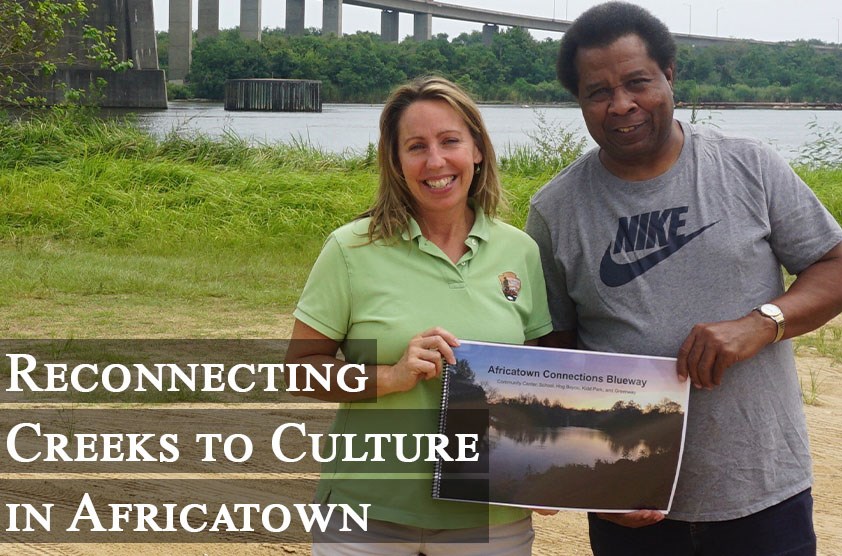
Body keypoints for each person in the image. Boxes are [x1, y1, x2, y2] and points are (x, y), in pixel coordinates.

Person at [525, 3, 842, 555]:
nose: (621, 105)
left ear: (670, 74)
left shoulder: (750, 166)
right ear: (579, 101)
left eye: (637, 82)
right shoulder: (555, 210)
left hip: (764, 494)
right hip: (631, 508)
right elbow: (555, 350)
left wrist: (763, 322)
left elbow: (834, 263)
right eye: (597, 91)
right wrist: (584, 481)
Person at [286, 76, 553, 555]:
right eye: (416, 146)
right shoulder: (350, 249)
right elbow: (301, 372)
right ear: (395, 161)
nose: (435, 161)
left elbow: (538, 387)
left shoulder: (521, 251)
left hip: (490, 518)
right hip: (368, 514)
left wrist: (546, 471)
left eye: (450, 141)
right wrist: (390, 376)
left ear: (477, 149)